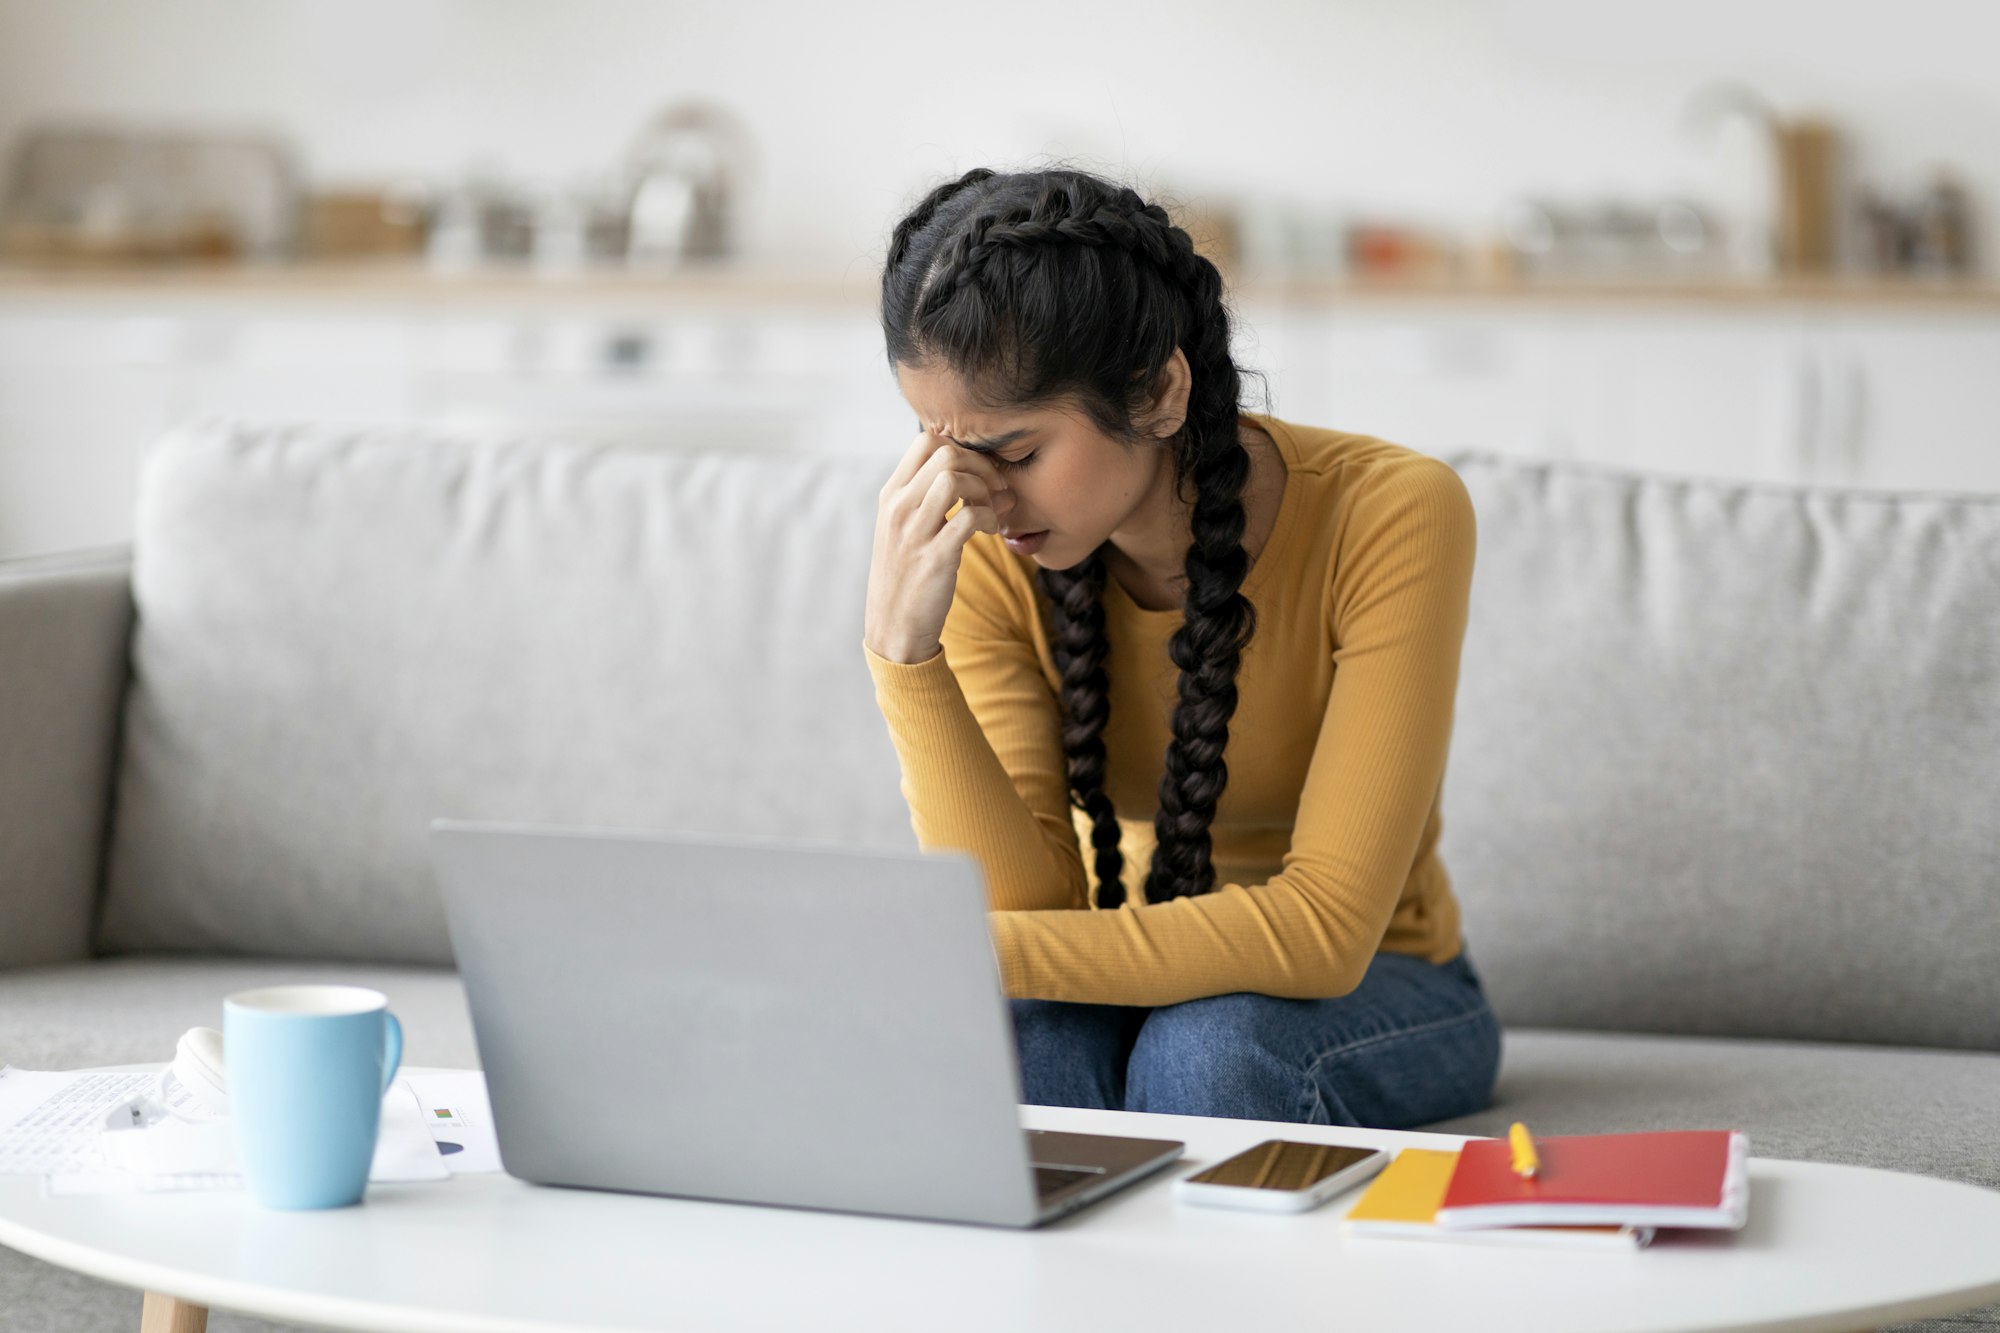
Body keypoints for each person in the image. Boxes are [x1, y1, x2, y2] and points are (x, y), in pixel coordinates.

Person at [862, 165, 1501, 1130]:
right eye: (936, 443)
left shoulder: (1391, 512)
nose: (975, 494)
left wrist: (967, 955)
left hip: (1381, 985)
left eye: (1017, 452)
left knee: (1209, 1047)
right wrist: (902, 655)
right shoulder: (987, 548)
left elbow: (1326, 931)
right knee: (1021, 1040)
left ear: (1160, 391)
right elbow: (1026, 899)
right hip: (1117, 960)